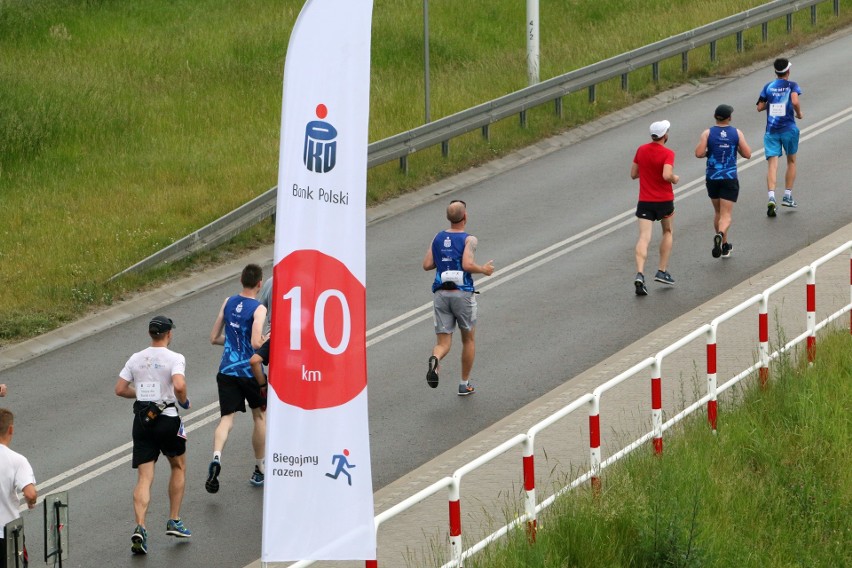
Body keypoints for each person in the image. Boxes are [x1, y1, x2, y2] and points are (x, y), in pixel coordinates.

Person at [115, 315, 191, 555]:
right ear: (169, 334)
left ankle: (141, 527)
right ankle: (174, 520)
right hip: (168, 418)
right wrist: (183, 400)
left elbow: (119, 389)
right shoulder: (175, 358)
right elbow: (178, 385)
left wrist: (141, 394)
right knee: (178, 466)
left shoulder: (136, 359)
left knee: (144, 478)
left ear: (151, 334)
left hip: (143, 421)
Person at [422, 199, 494, 396]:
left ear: (448, 217)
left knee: (443, 343)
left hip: (441, 294)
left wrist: (443, 259)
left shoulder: (437, 237)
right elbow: (467, 264)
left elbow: (427, 264)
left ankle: (435, 359)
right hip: (462, 294)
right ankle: (464, 384)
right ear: (465, 217)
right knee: (468, 339)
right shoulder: (469, 240)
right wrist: (484, 270)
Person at [207, 263, 267, 493]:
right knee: (260, 416)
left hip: (226, 370)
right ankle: (260, 468)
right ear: (259, 283)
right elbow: (254, 343)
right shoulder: (258, 309)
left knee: (226, 419)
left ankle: (216, 457)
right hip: (249, 372)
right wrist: (267, 338)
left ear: (241, 280)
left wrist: (231, 342)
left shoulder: (228, 301)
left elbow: (214, 338)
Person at [695, 104, 752, 259]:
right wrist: (735, 148)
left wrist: (709, 153)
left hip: (712, 177)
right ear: (730, 118)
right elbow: (748, 154)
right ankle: (720, 234)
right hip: (729, 177)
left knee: (718, 212)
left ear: (715, 116)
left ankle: (724, 245)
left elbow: (699, 153)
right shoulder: (736, 133)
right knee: (726, 215)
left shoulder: (707, 133)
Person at [630, 120, 680, 295]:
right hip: (664, 201)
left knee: (644, 237)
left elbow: (633, 174)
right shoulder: (668, 153)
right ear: (665, 135)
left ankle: (640, 274)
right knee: (667, 232)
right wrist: (674, 178)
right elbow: (666, 174)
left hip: (645, 201)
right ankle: (662, 270)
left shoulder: (641, 150)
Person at [756, 57, 803, 217]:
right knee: (791, 161)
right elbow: (795, 101)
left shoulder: (768, 87)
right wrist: (799, 113)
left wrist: (773, 103)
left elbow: (759, 107)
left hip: (771, 131)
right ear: (788, 71)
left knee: (772, 165)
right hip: (789, 129)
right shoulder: (792, 85)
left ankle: (771, 198)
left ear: (776, 72)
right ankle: (787, 195)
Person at [0, 408, 37, 568]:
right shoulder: (17, 460)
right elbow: (30, 493)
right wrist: (31, 501)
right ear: (11, 429)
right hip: (6, 535)